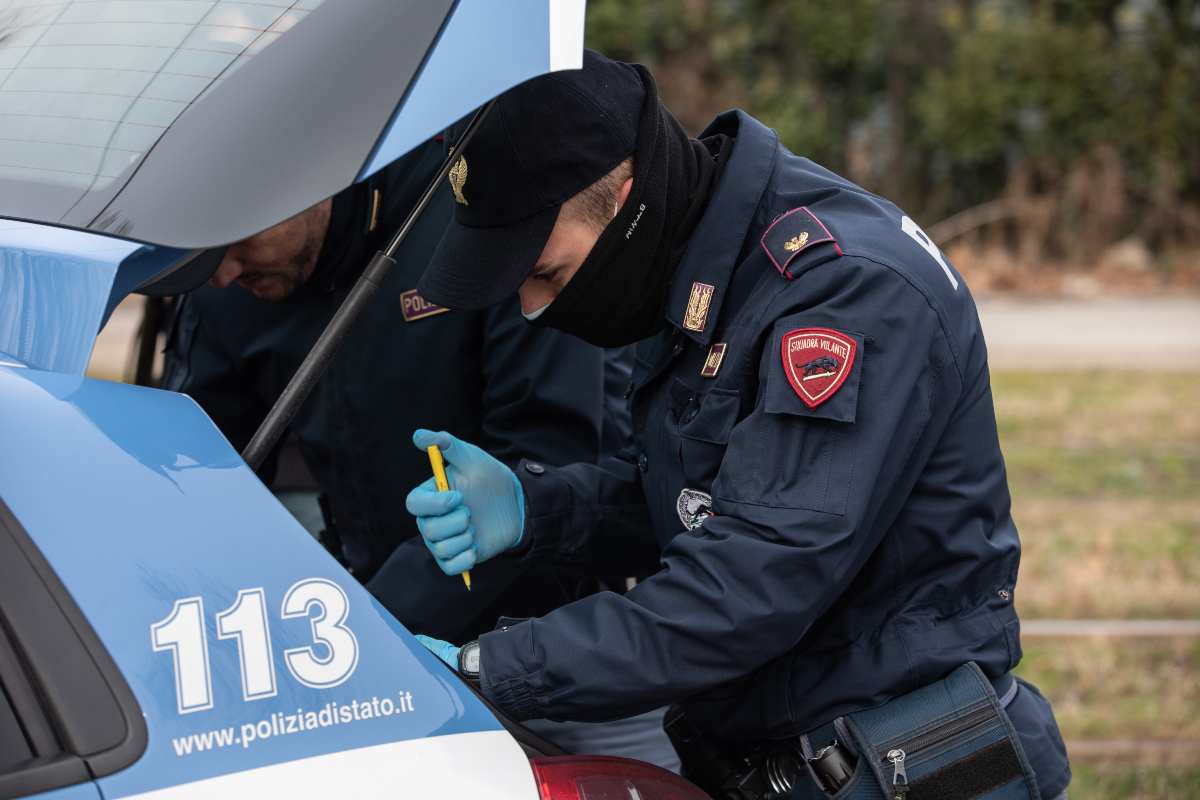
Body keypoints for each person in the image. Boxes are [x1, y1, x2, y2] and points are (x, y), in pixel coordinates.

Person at [404, 52, 1071, 799]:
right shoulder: (702, 267)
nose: (532, 308)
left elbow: (749, 584)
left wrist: (490, 669)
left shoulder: (841, 293)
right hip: (784, 759)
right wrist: (542, 509)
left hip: (904, 770)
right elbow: (710, 500)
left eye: (547, 273)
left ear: (624, 201)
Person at [160, 130, 678, 768]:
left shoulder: (473, 212)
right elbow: (199, 479)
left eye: (241, 240)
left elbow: (551, 450)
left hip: (553, 655)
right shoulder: (224, 293)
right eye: (205, 252)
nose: (224, 271)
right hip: (364, 653)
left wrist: (370, 627)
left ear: (312, 179)